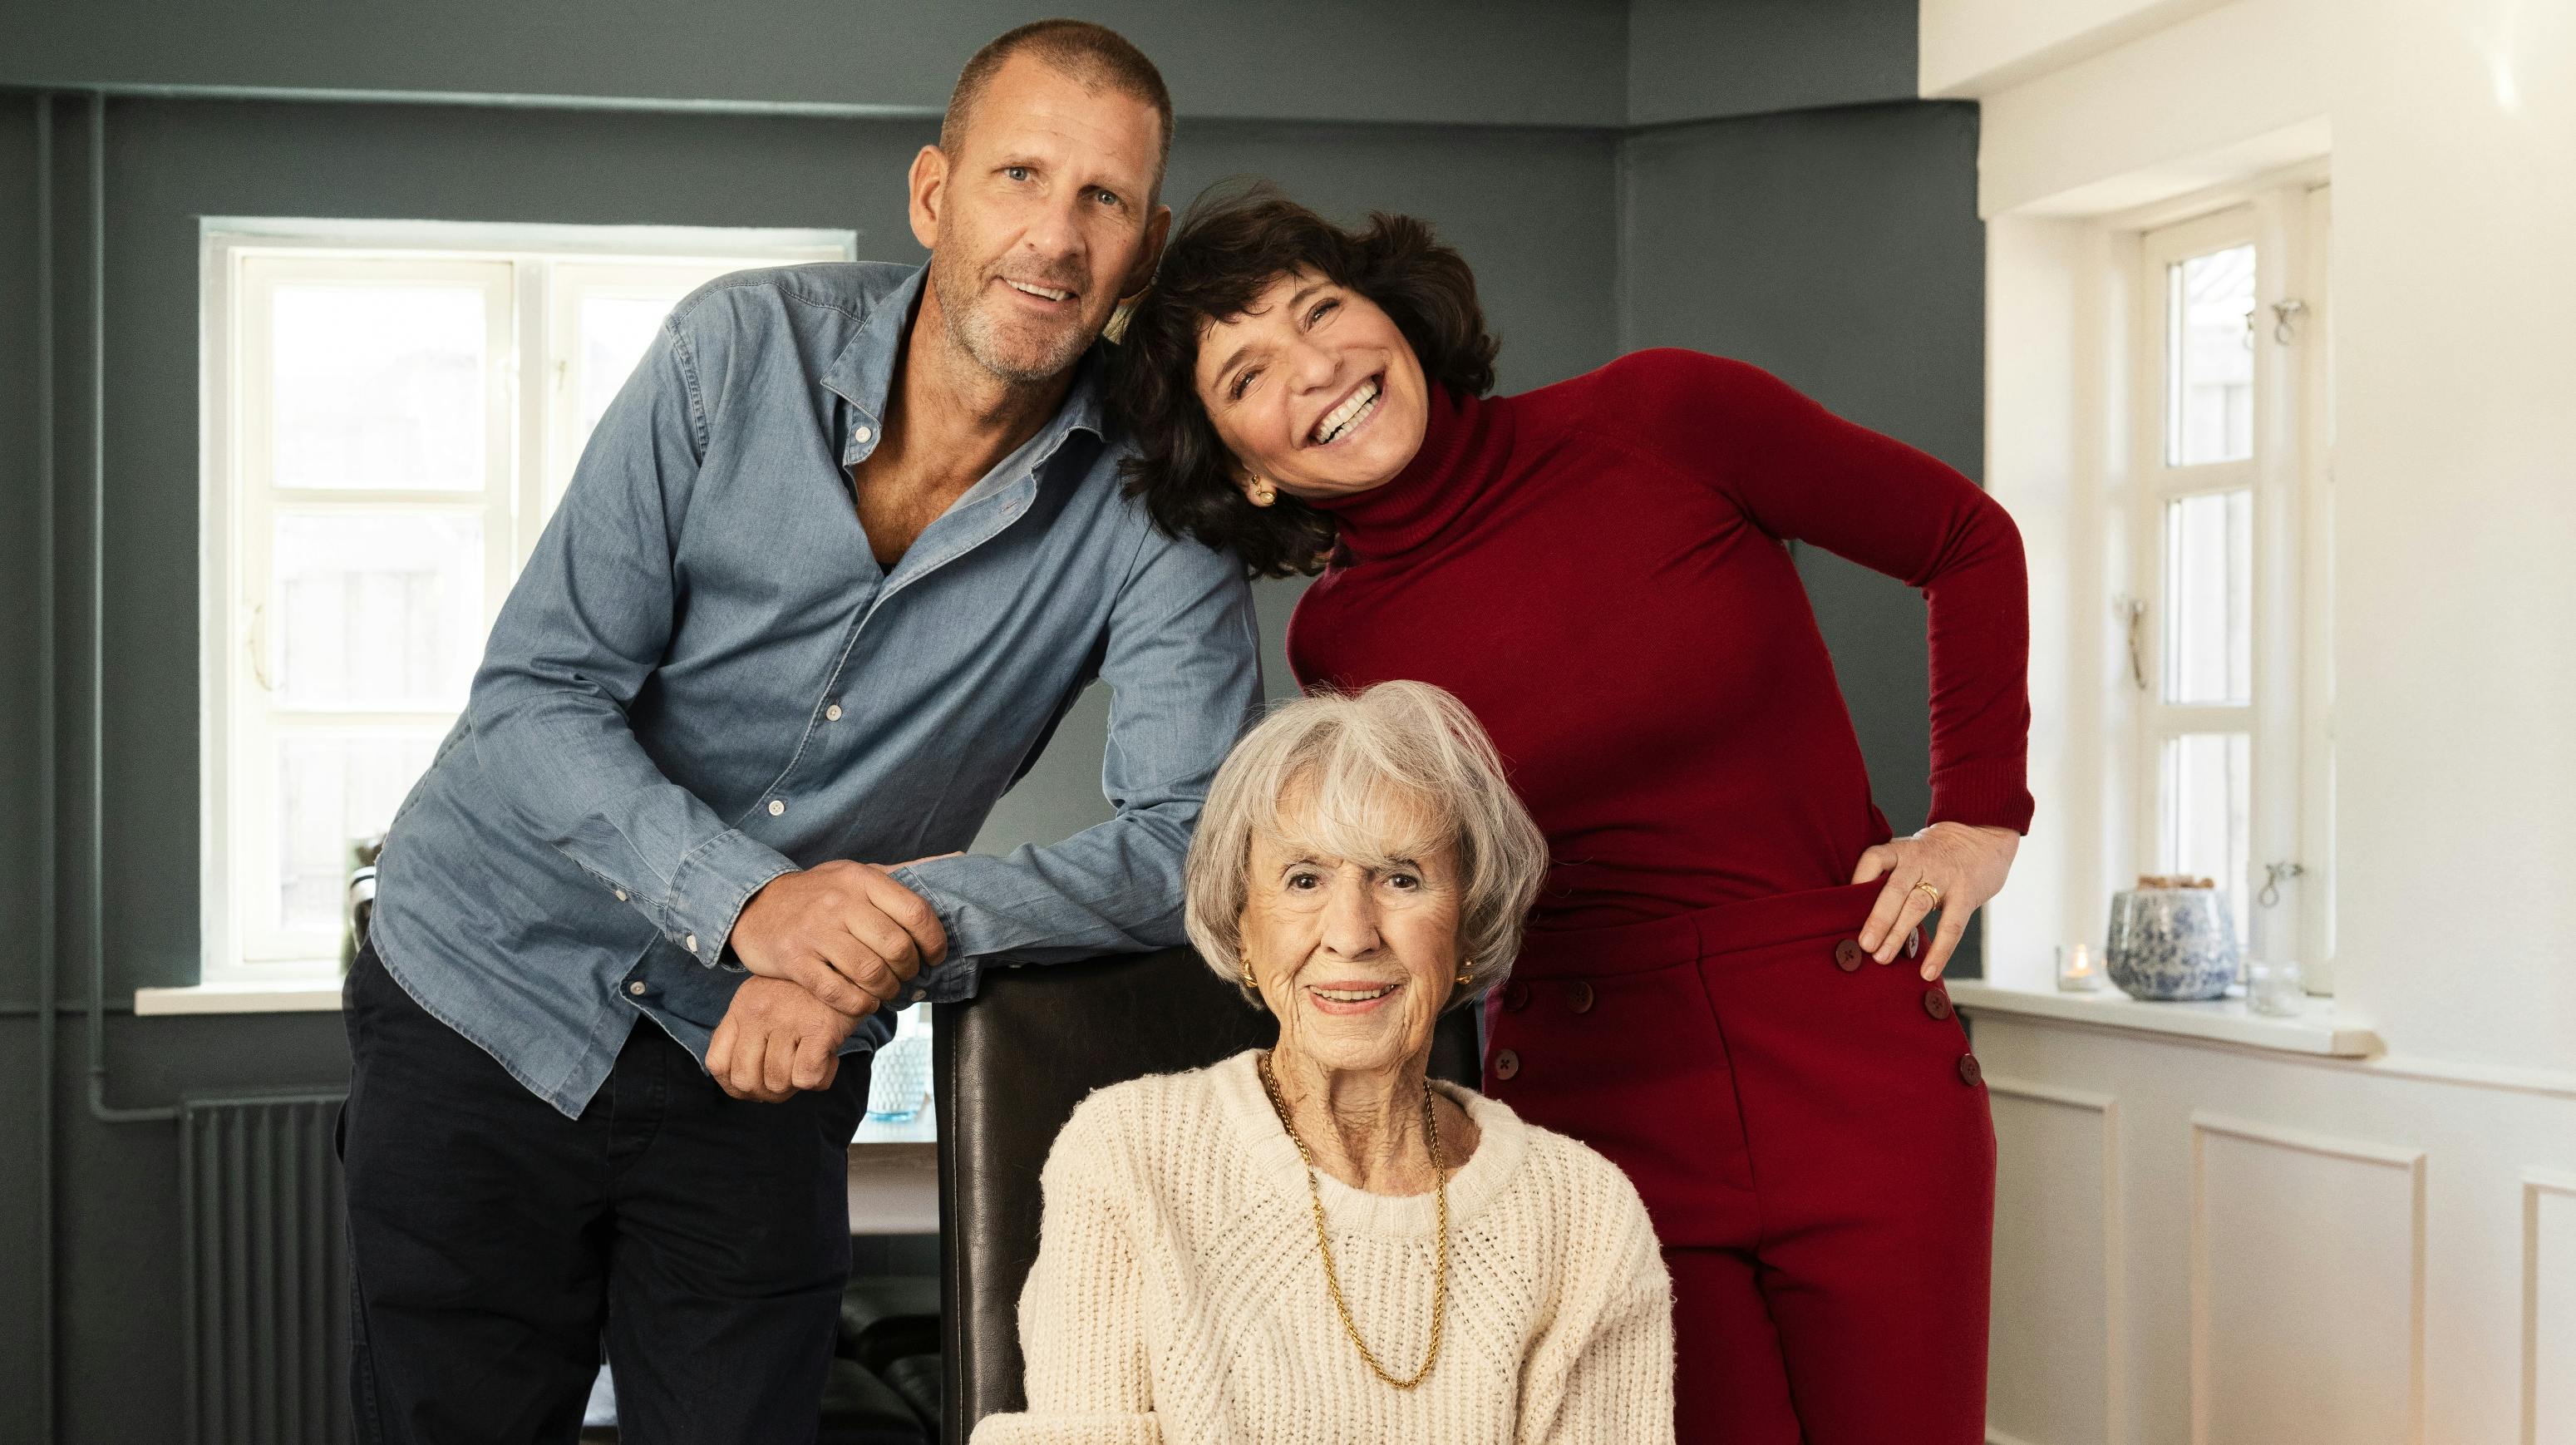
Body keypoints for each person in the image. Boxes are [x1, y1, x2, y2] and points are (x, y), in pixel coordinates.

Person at [341, 22, 1260, 1443]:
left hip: (765, 1057)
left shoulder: (1153, 506)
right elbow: (534, 701)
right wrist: (755, 902)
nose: (1057, 236)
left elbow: (1187, 842)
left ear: (1139, 254)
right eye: (1020, 174)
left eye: (1106, 199)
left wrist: (870, 930)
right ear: (931, 196)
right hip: (486, 988)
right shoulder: (732, 350)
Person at [1109, 184, 2032, 1444]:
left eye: (1322, 308)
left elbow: (1963, 538)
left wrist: (1977, 817)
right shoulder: (1341, 640)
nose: (1315, 366)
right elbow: (1408, 903)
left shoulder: (1663, 414)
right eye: (1248, 372)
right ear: (1241, 471)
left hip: (1849, 1048)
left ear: (1394, 310)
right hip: (1597, 1095)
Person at [978, 681, 1673, 1443]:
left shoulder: (1584, 1216)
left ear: (1467, 929)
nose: (1350, 934)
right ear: (1242, 926)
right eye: (1304, 879)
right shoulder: (1128, 1153)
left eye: (1400, 879)